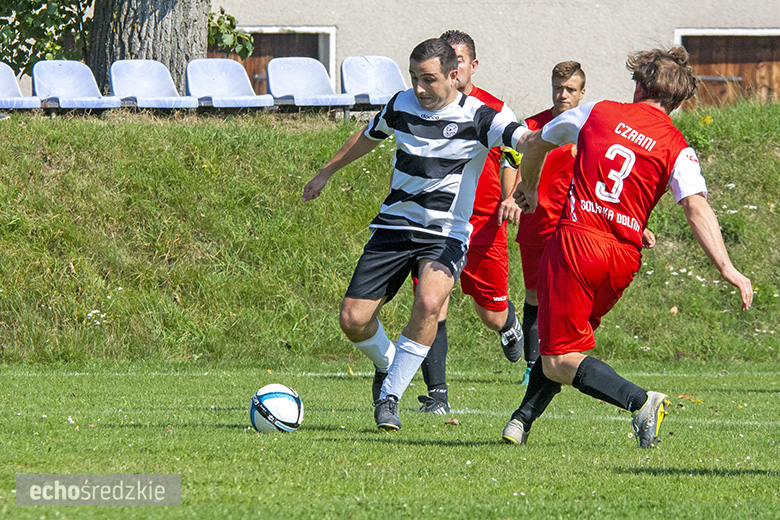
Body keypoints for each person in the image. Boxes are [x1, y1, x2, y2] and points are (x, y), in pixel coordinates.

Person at [503, 46, 753, 449]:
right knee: (568, 345)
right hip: (622, 259)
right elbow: (696, 206)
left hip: (576, 244)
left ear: (638, 84)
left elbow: (535, 142)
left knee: (559, 358)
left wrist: (527, 188)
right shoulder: (678, 146)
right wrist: (728, 268)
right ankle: (521, 420)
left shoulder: (597, 112)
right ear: (678, 99)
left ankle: (640, 401)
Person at [302, 38, 529, 431]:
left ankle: (390, 395)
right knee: (353, 320)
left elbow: (524, 143)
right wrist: (326, 172)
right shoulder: (401, 104)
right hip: (393, 226)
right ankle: (392, 363)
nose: (419, 88)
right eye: (414, 78)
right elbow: (368, 136)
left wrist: (538, 173)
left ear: (454, 76)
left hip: (446, 233)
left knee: (428, 301)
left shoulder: (481, 116)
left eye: (429, 79)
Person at [416, 30, 524, 416]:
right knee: (430, 305)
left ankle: (510, 323)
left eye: (459, 59)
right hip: (434, 227)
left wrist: (511, 196)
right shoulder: (422, 105)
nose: (453, 67)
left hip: (482, 226)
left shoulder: (492, 109)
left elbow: (514, 156)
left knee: (490, 314)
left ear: (472, 65)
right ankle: (437, 397)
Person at [514, 61, 587, 386]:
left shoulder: (589, 130)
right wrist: (509, 196)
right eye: (558, 87)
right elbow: (514, 164)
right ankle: (533, 366)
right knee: (534, 296)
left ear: (582, 93)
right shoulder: (533, 126)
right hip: (535, 225)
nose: (562, 94)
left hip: (574, 228)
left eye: (570, 89)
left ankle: (565, 359)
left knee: (567, 296)